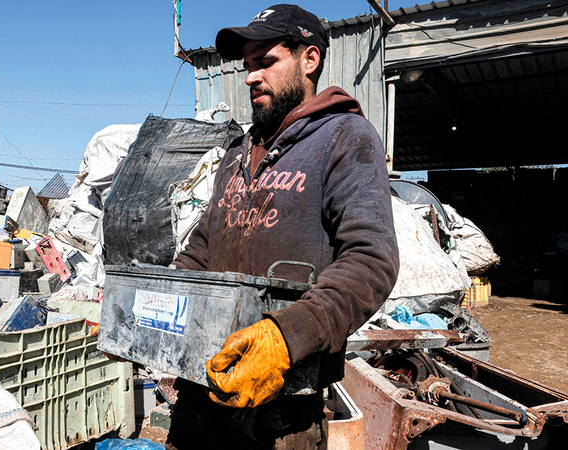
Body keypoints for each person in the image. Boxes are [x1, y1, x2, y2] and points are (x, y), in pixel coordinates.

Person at [165, 4, 400, 450]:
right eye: (248, 65)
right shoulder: (235, 154)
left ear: (309, 59)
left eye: (266, 61)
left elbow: (371, 260)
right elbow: (201, 249)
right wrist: (155, 303)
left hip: (282, 407)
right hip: (204, 385)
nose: (250, 77)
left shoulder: (345, 137)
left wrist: (286, 335)